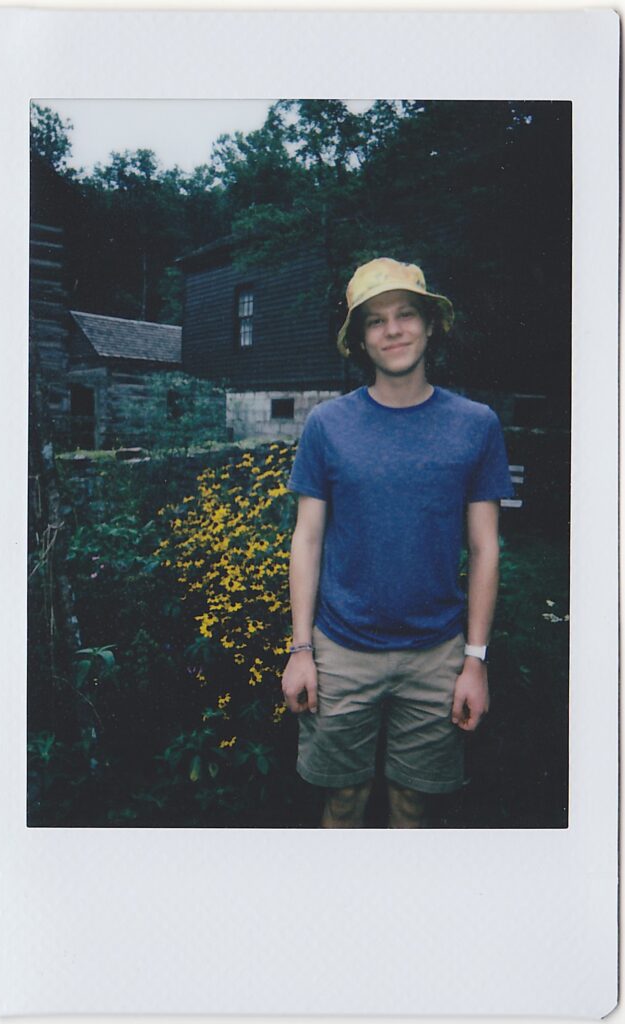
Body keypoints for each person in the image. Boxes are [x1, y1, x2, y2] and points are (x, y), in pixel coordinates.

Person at [281, 257, 514, 828]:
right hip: (340, 650)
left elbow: (486, 549)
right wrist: (301, 650)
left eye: (406, 314)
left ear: (430, 325)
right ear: (360, 339)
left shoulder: (476, 424)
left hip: (437, 653)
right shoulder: (327, 425)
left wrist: (475, 661)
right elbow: (307, 539)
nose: (393, 330)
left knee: (413, 804)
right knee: (343, 801)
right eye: (375, 320)